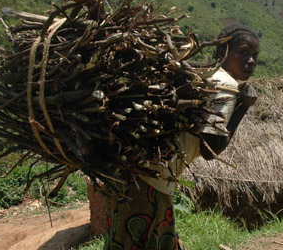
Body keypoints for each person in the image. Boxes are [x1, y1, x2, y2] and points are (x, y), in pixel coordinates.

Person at [102, 24, 260, 250]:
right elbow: (210, 150)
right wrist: (243, 108)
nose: (251, 61)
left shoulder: (205, 75)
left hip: (137, 171)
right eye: (244, 52)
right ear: (221, 52)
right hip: (152, 180)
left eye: (255, 56)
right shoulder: (225, 84)